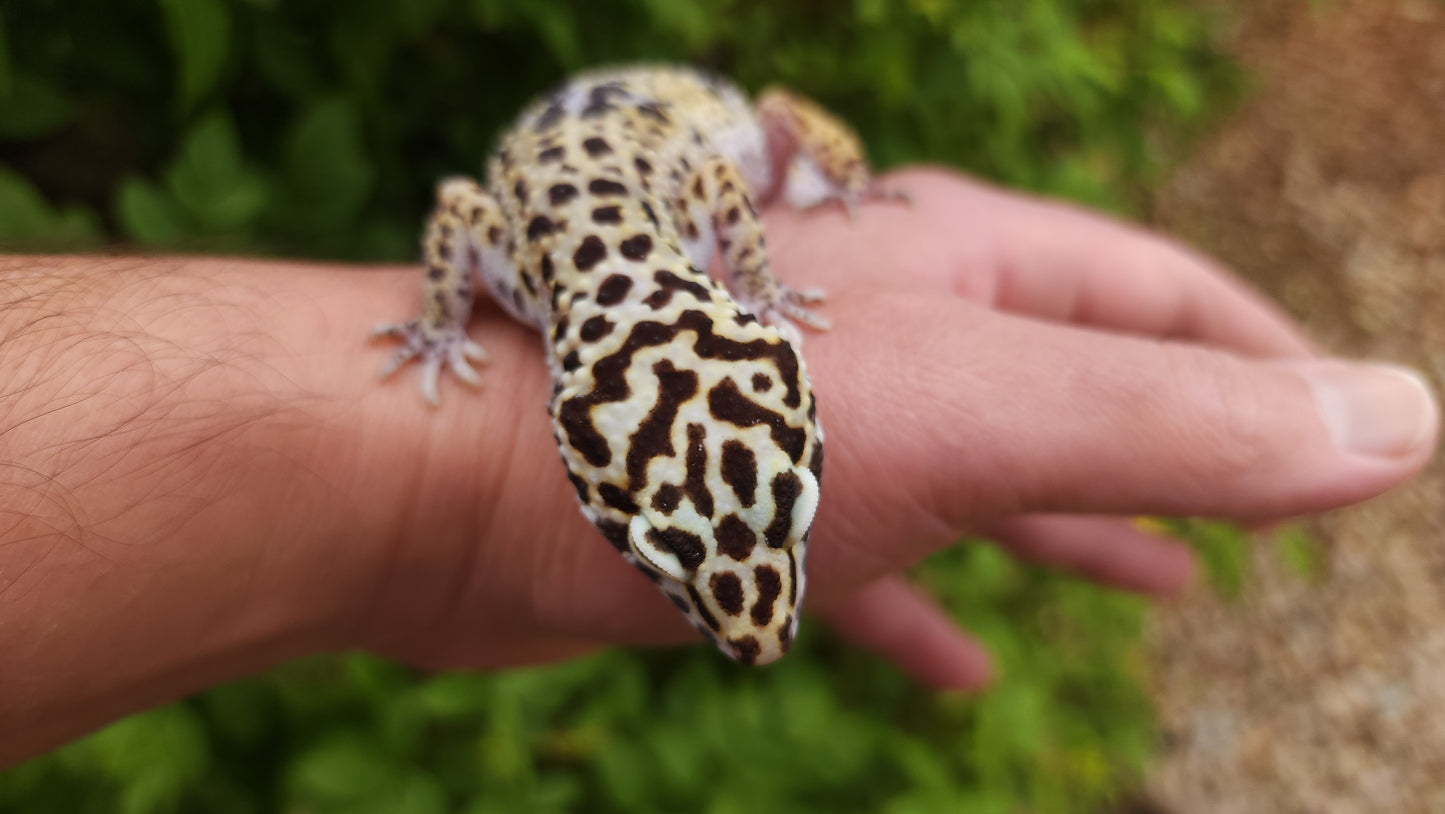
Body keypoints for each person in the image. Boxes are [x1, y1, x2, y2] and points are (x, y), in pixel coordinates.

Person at [0, 169, 1435, 766]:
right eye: (668, 547)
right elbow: (458, 209)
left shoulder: (671, 283)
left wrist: (773, 249)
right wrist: (438, 383)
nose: (756, 616)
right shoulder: (531, 288)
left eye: (774, 517)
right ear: (575, 440)